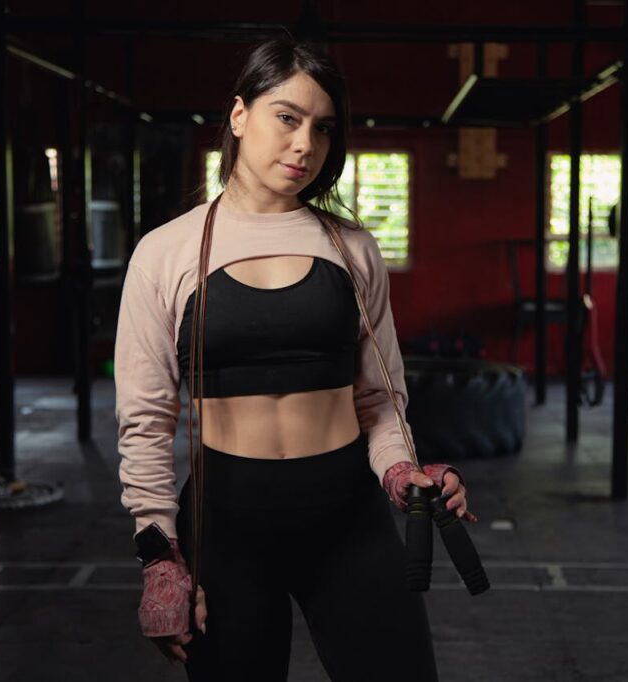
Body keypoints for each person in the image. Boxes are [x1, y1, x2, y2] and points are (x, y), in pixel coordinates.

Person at [114, 36, 477, 681]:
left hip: (347, 517)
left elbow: (380, 399)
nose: (305, 144)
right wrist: (160, 558)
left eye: (323, 128)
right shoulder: (165, 253)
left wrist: (401, 474)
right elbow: (145, 421)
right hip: (225, 526)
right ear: (238, 115)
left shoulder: (353, 248)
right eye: (287, 117)